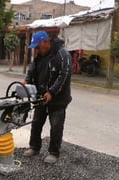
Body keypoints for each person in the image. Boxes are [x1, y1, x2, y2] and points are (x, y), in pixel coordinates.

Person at [23, 31, 72, 164]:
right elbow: (32, 70)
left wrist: (51, 92)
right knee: (36, 122)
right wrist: (27, 82)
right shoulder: (40, 55)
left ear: (45, 42)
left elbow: (64, 75)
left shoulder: (62, 54)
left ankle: (53, 152)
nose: (36, 49)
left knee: (56, 126)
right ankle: (34, 147)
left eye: (37, 46)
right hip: (41, 96)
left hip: (58, 99)